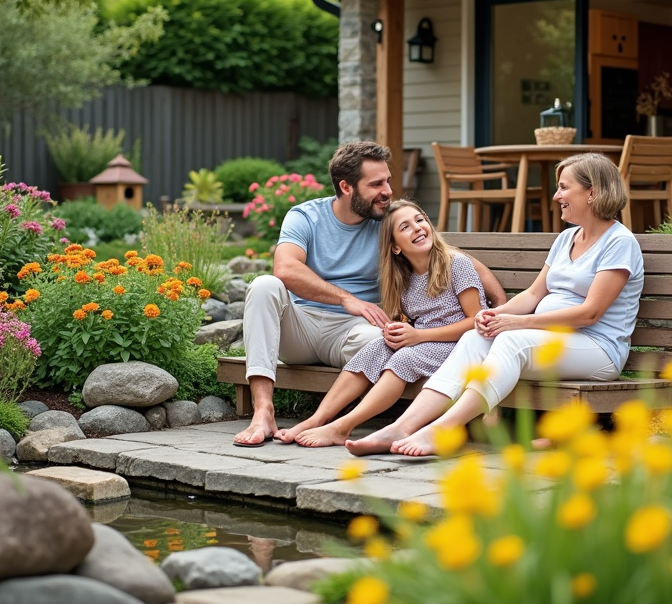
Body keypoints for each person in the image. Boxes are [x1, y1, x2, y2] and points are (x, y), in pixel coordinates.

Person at [345, 152, 644, 457]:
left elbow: (590, 313)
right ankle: (402, 426)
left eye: (564, 188)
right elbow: (532, 295)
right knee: (475, 335)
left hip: (598, 349)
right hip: (552, 342)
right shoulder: (567, 239)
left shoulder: (618, 243)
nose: (556, 196)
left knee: (511, 340)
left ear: (591, 192)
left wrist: (516, 323)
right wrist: (492, 316)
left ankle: (442, 430)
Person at [233, 141, 506, 447]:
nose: (387, 191)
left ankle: (338, 424)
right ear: (347, 186)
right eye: (376, 184)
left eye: (387, 180)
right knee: (263, 285)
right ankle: (263, 411)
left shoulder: (389, 222)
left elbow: (458, 260)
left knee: (389, 345)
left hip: (358, 332)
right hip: (302, 327)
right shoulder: (306, 217)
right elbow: (285, 269)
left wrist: (499, 309)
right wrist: (345, 299)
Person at [277, 200, 487, 447]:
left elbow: (476, 322)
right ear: (396, 247)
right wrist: (396, 330)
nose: (417, 228)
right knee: (374, 350)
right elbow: (410, 320)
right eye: (405, 227)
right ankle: (317, 419)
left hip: (462, 344)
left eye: (420, 220)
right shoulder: (403, 279)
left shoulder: (456, 264)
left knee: (404, 359)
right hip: (427, 342)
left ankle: (343, 426)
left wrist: (419, 336)